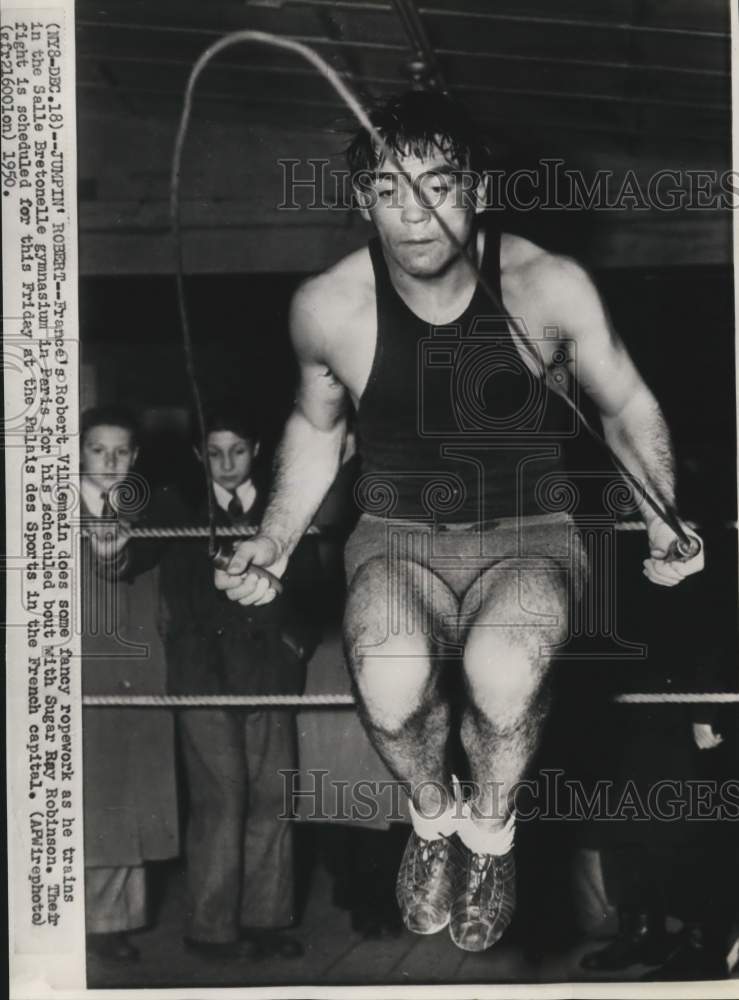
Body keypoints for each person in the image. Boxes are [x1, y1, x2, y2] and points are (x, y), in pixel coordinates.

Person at [214, 91, 704, 953]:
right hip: (396, 538)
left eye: (437, 185)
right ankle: (432, 819)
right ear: (362, 198)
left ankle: (490, 832)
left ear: (476, 186)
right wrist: (275, 538)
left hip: (531, 532)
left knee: (504, 669)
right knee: (392, 678)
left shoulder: (547, 285)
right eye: (390, 190)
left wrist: (660, 514)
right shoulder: (329, 306)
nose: (415, 214)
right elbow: (315, 428)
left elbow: (625, 403)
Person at [161, 405, 319, 960]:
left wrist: (291, 643)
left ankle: (267, 922)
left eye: (239, 450)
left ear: (257, 451)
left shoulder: (287, 514)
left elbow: (316, 589)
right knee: (219, 800)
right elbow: (136, 562)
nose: (227, 463)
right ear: (199, 455)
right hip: (203, 678)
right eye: (215, 452)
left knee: (274, 798)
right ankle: (210, 929)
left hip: (269, 676)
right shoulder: (177, 510)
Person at [80, 406, 179, 962]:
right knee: (92, 796)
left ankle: (113, 921)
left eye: (121, 451)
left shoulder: (154, 510)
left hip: (137, 668)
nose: (111, 462)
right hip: (79, 667)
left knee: (129, 797)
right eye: (99, 450)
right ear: (79, 451)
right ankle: (84, 920)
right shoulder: (50, 509)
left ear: (135, 457)